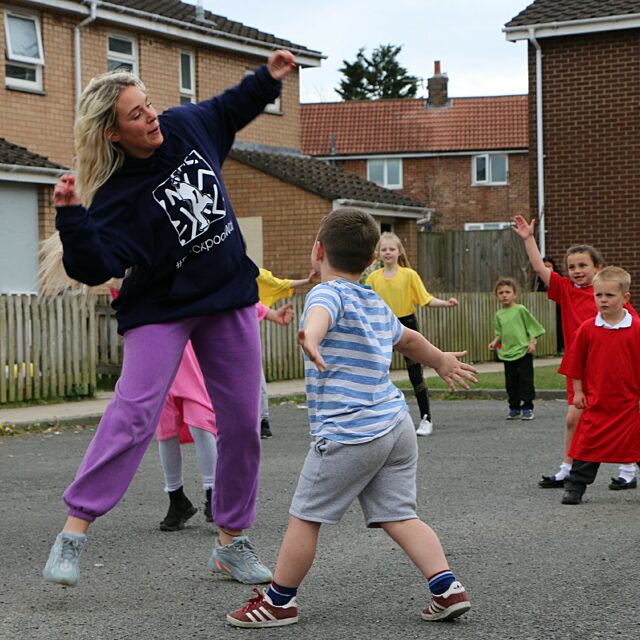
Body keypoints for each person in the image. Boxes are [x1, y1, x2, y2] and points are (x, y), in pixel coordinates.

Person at [42, 49, 297, 588]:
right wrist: (71, 218)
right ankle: (73, 533)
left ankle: (232, 543)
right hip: (162, 308)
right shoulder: (116, 198)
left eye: (149, 105)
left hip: (226, 295)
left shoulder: (186, 127)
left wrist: (268, 79)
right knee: (134, 414)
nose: (151, 116)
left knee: (241, 424)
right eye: (136, 115)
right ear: (113, 133)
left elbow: (229, 108)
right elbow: (96, 266)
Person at [226, 208, 477, 628]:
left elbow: (321, 315)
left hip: (350, 431)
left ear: (317, 251)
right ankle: (447, 588)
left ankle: (278, 602)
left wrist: (312, 337)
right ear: (372, 259)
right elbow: (408, 339)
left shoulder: (325, 295)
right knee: (400, 514)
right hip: (395, 424)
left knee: (306, 516)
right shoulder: (372, 298)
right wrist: (439, 360)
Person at [512, 215, 637, 490]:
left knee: (622, 418)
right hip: (580, 368)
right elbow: (539, 269)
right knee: (574, 417)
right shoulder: (566, 290)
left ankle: (628, 469)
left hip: (610, 370)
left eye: (583, 265)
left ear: (597, 267)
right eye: (572, 266)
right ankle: (566, 468)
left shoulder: (610, 294)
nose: (577, 270)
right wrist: (529, 239)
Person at [558, 267, 640, 505]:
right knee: (586, 446)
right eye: (598, 295)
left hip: (630, 404)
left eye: (609, 295)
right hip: (597, 403)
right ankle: (575, 487)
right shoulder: (587, 328)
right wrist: (579, 391)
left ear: (625, 298)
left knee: (637, 443)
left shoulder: (636, 328)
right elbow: (575, 363)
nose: (603, 300)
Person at [365, 232, 459, 436]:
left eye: (391, 249)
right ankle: (376, 421)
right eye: (384, 249)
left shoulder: (409, 275)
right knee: (375, 372)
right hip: (381, 326)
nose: (388, 252)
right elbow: (365, 305)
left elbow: (426, 299)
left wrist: (446, 303)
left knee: (415, 375)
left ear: (399, 251)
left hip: (407, 325)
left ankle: (426, 419)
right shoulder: (373, 278)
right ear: (379, 253)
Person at [257, 268, 318, 438]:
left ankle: (262, 421)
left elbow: (279, 284)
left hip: (246, 333)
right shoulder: (217, 275)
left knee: (256, 378)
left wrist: (307, 281)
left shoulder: (252, 274)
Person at [489, 277, 546, 420]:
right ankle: (514, 407)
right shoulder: (499, 314)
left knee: (525, 380)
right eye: (500, 293)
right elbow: (500, 332)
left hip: (523, 351)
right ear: (497, 296)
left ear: (515, 294)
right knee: (511, 382)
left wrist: (532, 343)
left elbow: (532, 327)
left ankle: (527, 407)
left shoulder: (521, 310)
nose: (504, 295)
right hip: (508, 353)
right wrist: (495, 342)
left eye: (507, 292)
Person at [536, 256, 564, 353]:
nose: (547, 269)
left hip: (558, 310)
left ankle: (560, 347)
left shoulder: (559, 280)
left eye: (549, 266)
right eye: (545, 266)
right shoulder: (538, 283)